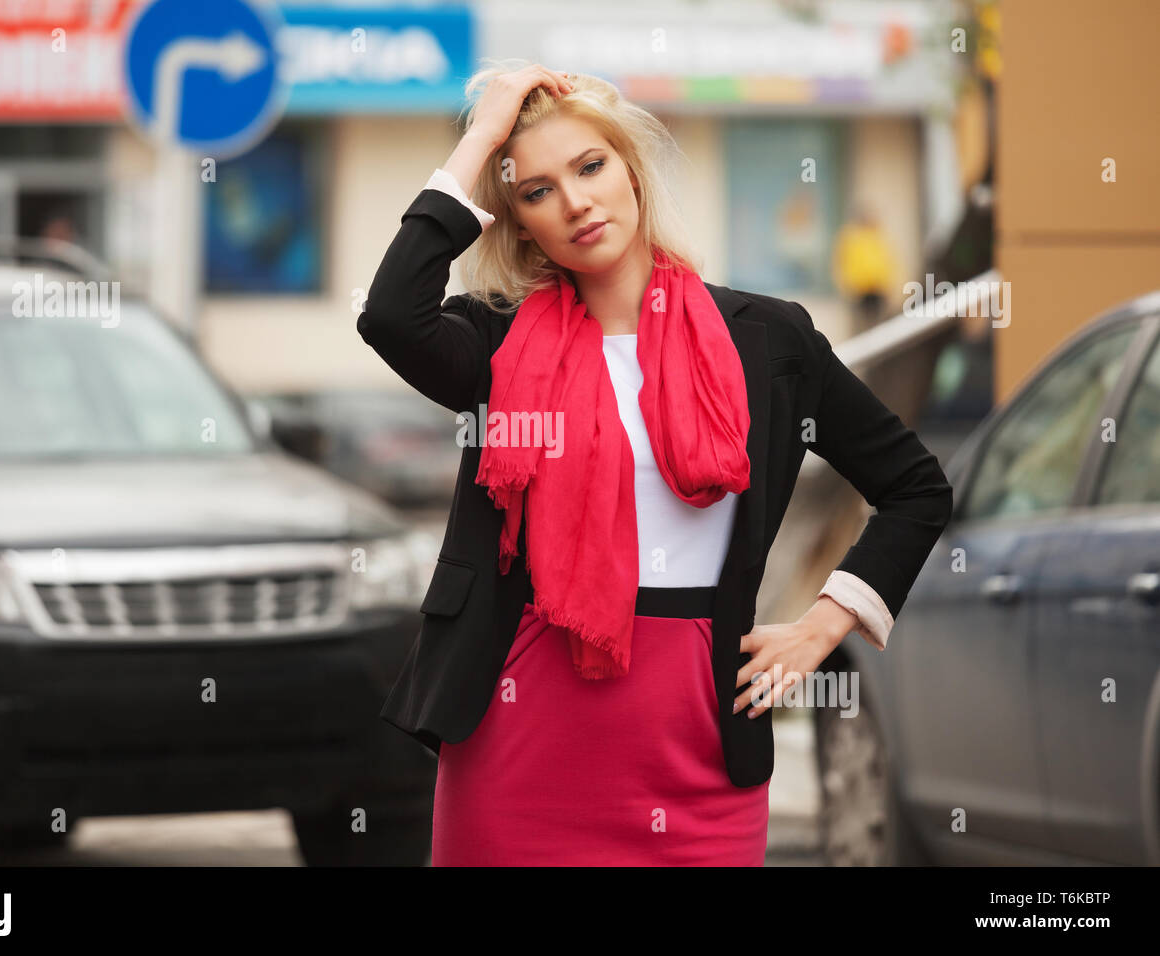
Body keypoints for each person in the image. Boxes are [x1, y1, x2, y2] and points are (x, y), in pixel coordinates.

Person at [357, 62, 953, 866]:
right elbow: (391, 314)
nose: (574, 202)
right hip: (518, 730)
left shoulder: (768, 342)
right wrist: (483, 134)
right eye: (535, 191)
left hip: (699, 737)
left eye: (590, 166)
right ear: (518, 222)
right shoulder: (494, 345)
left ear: (631, 170)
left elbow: (916, 487)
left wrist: (825, 625)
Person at [832, 205, 899, 334]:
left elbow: (889, 262)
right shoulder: (851, 238)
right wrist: (847, 285)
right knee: (861, 326)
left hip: (878, 288)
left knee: (877, 325)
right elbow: (842, 263)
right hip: (859, 289)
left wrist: (888, 285)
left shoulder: (879, 237)